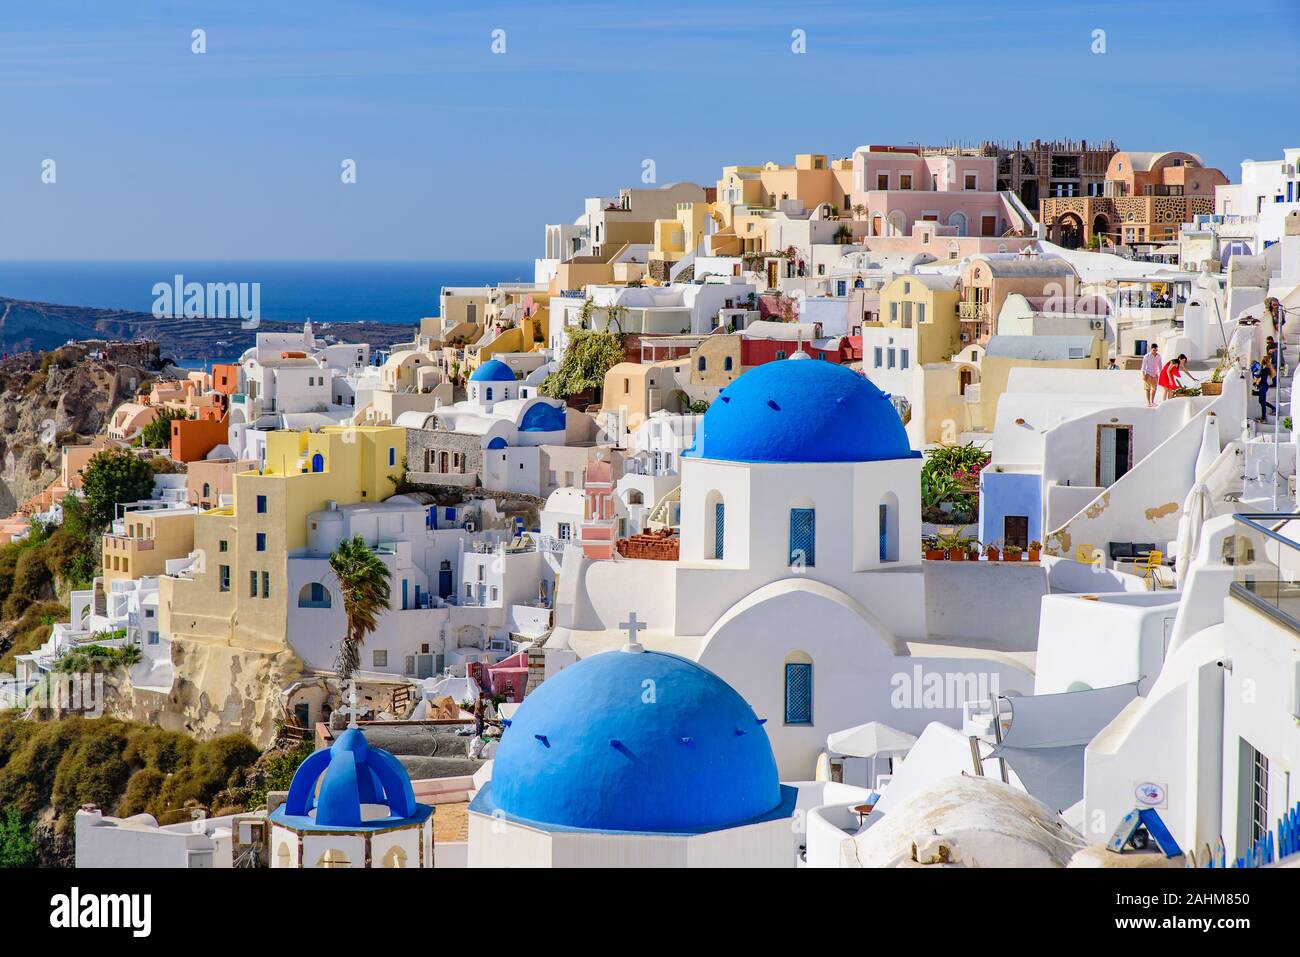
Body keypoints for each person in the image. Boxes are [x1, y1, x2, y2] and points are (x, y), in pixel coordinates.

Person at [1255, 355, 1277, 423]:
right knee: (1261, 401)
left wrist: (1254, 372)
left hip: (1263, 387)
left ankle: (1264, 418)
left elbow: (1258, 375)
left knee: (1262, 402)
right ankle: (1273, 408)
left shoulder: (1265, 369)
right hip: (1263, 386)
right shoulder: (1266, 368)